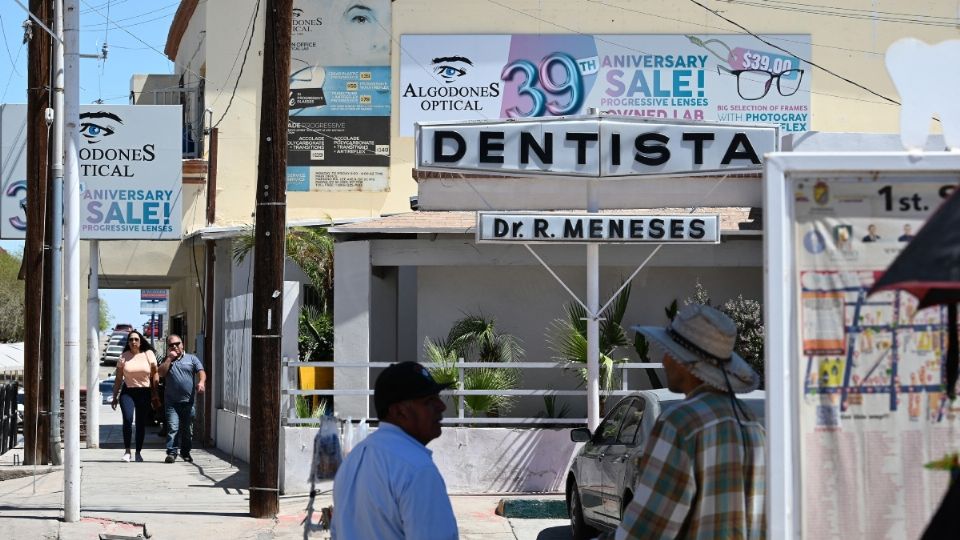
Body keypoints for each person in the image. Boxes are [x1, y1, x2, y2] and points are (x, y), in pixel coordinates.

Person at [616, 304, 765, 539]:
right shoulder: (753, 425)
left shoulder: (680, 424)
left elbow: (648, 530)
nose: (664, 361)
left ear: (688, 363)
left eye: (670, 353)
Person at [331, 361, 458, 539]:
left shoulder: (353, 460)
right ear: (399, 412)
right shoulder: (417, 469)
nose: (441, 406)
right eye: (429, 401)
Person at [110, 330, 160, 463]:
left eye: (136, 339)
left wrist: (155, 393)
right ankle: (127, 451)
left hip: (144, 392)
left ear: (140, 341)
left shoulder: (148, 354)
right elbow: (118, 379)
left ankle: (138, 452)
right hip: (128, 392)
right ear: (128, 342)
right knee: (127, 419)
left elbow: (154, 374)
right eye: (131, 339)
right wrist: (114, 396)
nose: (133, 342)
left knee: (140, 423)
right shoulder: (123, 357)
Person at [158, 334, 205, 463]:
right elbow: (160, 373)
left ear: (182, 344)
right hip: (171, 402)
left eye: (177, 344)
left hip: (187, 403)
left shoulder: (192, 359)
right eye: (171, 345)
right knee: (173, 428)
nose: (175, 347)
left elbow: (201, 371)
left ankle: (185, 452)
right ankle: (172, 453)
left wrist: (201, 382)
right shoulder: (166, 360)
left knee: (187, 430)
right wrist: (169, 359)